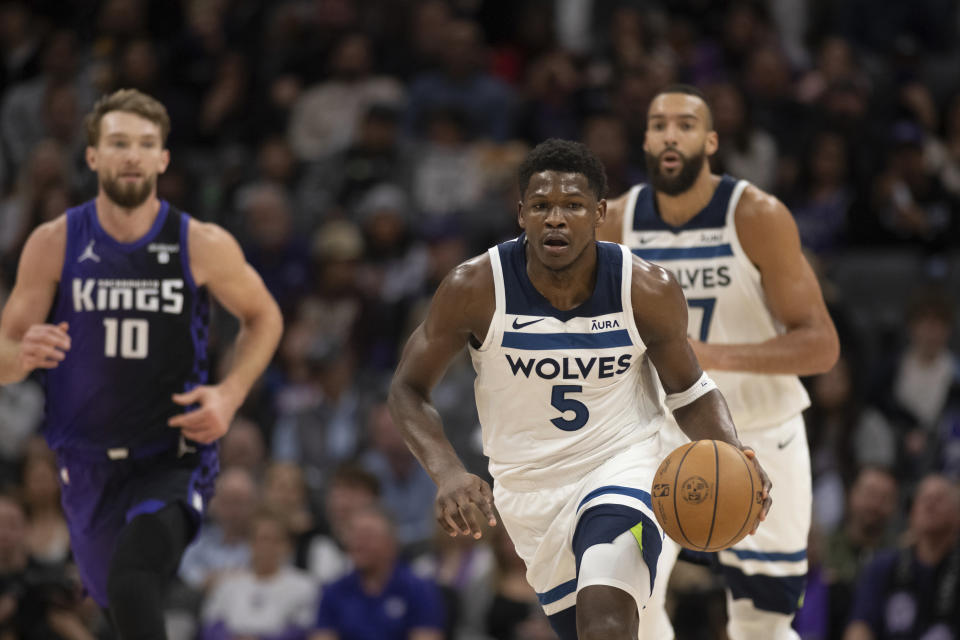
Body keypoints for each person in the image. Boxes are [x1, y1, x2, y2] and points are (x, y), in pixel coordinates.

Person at [388, 138, 771, 640]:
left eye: (572, 205)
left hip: (627, 464)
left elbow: (690, 391)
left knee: (606, 620)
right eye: (542, 206)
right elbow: (407, 389)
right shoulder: (475, 288)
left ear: (599, 214)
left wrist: (735, 454)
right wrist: (448, 472)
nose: (555, 218)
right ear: (520, 213)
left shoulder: (646, 289)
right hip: (529, 491)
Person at [0, 88, 283, 640]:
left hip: (172, 453)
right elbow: (4, 357)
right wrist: (19, 355)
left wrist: (229, 394)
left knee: (133, 581)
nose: (132, 155)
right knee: (118, 609)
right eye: (119, 143)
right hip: (84, 466)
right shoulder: (54, 243)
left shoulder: (199, 243)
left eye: (145, 144)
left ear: (163, 159)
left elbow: (264, 317)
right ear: (92, 156)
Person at [597, 84, 840, 640]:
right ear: (645, 140)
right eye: (658, 124)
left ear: (709, 141)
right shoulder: (617, 222)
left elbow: (821, 345)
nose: (670, 135)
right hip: (660, 437)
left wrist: (702, 356)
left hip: (761, 434)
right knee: (624, 599)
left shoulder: (755, 215)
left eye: (684, 124)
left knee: (762, 623)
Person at [844, 474, 960, 640]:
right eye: (924, 498)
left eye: (940, 499)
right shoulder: (882, 566)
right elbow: (860, 627)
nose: (930, 504)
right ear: (912, 513)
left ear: (957, 516)